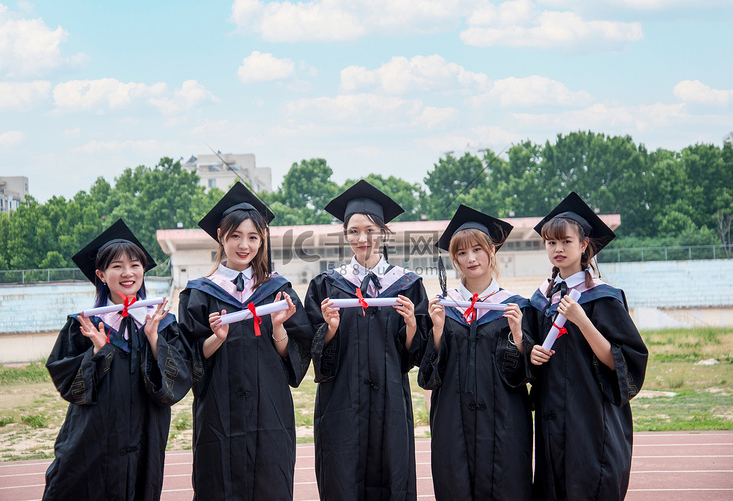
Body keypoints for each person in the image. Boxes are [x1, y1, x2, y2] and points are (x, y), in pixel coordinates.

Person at [178, 182, 313, 501]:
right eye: (235, 236)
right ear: (221, 237)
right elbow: (187, 358)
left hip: (270, 412)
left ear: (262, 240)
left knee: (270, 483)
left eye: (253, 237)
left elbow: (294, 355)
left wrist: (279, 328)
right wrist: (216, 338)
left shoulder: (278, 290)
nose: (244, 244)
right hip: (218, 414)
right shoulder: (200, 294)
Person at [43, 219, 192, 501]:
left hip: (145, 436)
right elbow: (70, 387)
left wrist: (153, 339)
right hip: (93, 437)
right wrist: (98, 352)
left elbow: (177, 383)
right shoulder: (85, 324)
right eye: (117, 266)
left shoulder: (161, 323)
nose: (128, 273)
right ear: (101, 274)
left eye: (135, 265)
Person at [304, 180, 429, 501]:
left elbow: (414, 354)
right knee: (342, 478)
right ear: (346, 236)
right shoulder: (327, 286)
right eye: (355, 231)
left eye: (371, 230)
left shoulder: (407, 285)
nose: (363, 238)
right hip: (341, 402)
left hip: (389, 400)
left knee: (392, 475)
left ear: (383, 233)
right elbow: (314, 351)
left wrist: (412, 322)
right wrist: (330, 326)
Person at [528, 192, 648, 500]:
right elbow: (527, 354)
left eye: (566, 241)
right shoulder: (540, 300)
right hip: (551, 416)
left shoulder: (603, 298)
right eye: (551, 242)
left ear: (583, 246)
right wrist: (531, 352)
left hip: (593, 417)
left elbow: (622, 361)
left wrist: (582, 321)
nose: (558, 249)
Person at [418, 205, 533, 501]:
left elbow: (527, 375)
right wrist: (439, 331)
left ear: (492, 251)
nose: (470, 258)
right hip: (452, 419)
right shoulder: (445, 307)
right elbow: (429, 375)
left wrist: (519, 336)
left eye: (477, 249)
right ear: (454, 259)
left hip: (505, 418)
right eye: (461, 253)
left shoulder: (516, 307)